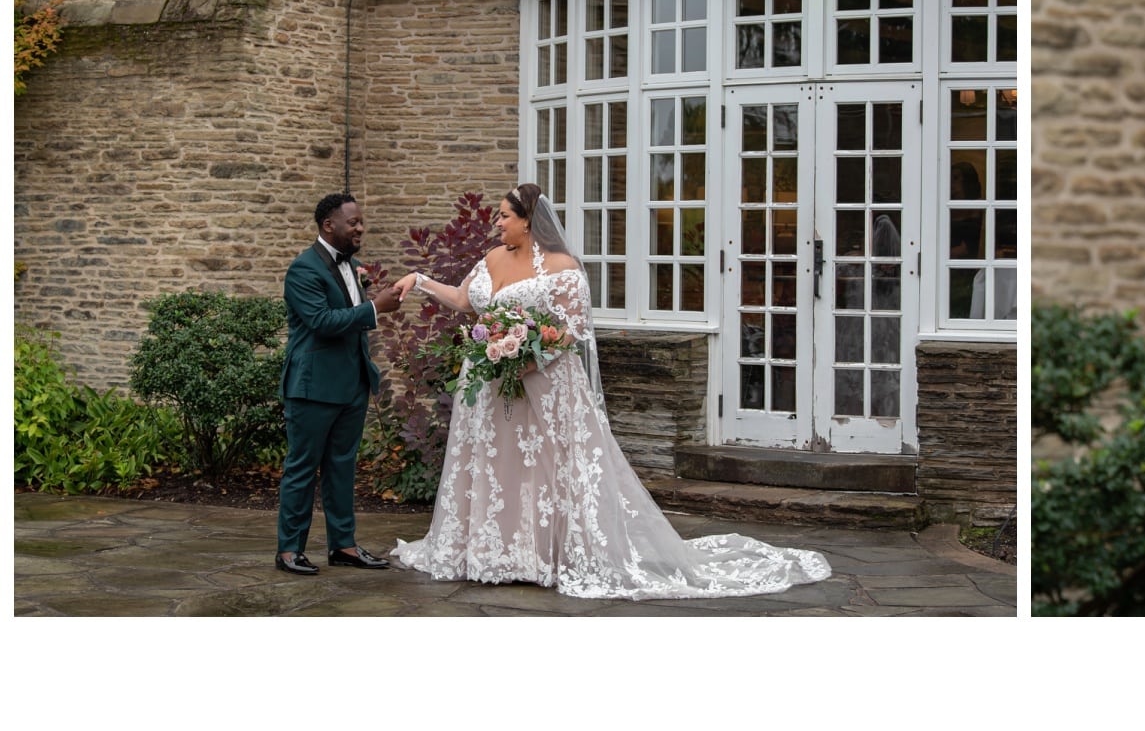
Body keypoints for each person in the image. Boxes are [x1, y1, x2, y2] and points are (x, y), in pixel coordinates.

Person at [387, 184, 831, 599]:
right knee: (495, 466)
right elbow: (465, 302)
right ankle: (495, 554)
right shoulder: (490, 259)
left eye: (504, 217)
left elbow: (574, 331)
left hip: (542, 385)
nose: (496, 224)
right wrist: (419, 280)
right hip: (489, 387)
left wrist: (525, 351)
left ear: (528, 220)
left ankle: (544, 556)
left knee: (546, 470)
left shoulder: (563, 268)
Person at [277, 192, 406, 575]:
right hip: (313, 386)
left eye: (361, 221)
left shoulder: (355, 266)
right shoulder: (303, 270)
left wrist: (371, 307)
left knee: (342, 467)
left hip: (352, 383)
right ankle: (289, 550)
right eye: (353, 222)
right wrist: (374, 308)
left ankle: (343, 546)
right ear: (328, 225)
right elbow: (322, 322)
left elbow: (350, 320)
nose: (361, 227)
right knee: (302, 468)